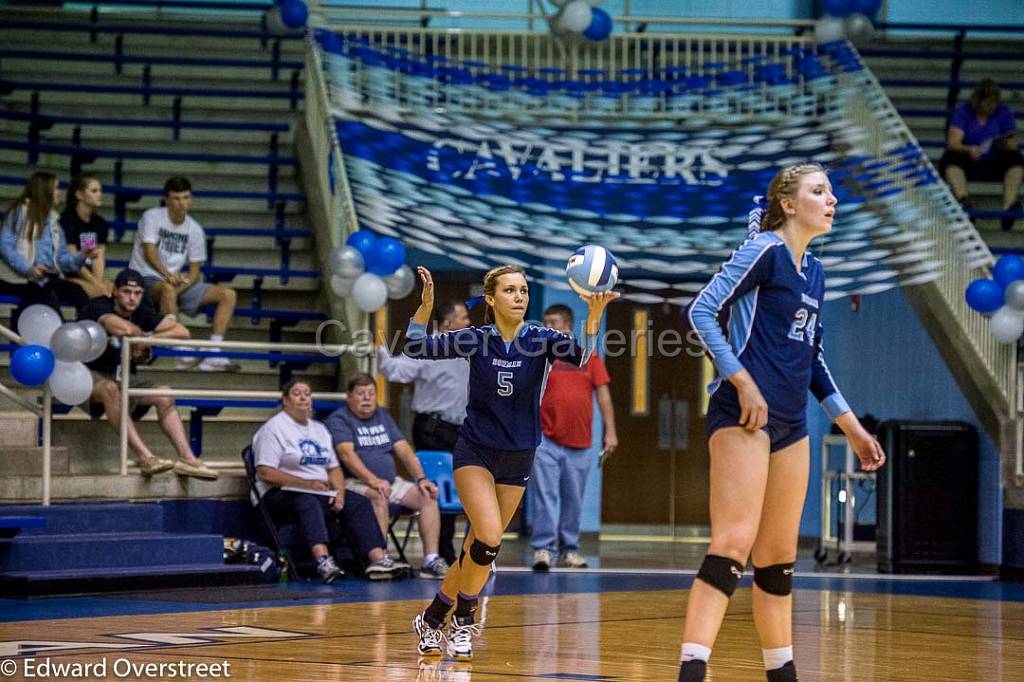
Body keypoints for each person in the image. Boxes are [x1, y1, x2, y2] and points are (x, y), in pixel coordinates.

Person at [678, 163, 886, 682]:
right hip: (743, 414)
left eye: (832, 191)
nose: (832, 199)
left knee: (777, 558)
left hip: (792, 423)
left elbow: (813, 360)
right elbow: (701, 311)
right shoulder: (764, 250)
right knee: (733, 544)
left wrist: (852, 427)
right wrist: (742, 380)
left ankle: (782, 674)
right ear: (790, 204)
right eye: (820, 191)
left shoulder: (814, 271)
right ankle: (691, 671)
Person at [407, 264, 617, 662]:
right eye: (510, 290)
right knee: (488, 537)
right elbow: (415, 347)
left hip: (519, 454)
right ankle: (465, 622)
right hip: (476, 452)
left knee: (476, 548)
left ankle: (433, 619)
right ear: (490, 299)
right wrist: (426, 307)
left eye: (523, 290)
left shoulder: (541, 338)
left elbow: (583, 356)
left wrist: (593, 316)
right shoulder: (475, 338)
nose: (519, 296)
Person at [252, 380, 409, 583]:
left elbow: (334, 468)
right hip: (279, 493)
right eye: (297, 393)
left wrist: (340, 494)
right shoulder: (273, 428)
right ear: (285, 400)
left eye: (307, 393)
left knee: (359, 502)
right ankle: (323, 560)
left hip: (319, 491)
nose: (303, 397)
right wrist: (306, 484)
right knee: (306, 500)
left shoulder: (319, 429)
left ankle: (378, 560)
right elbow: (266, 472)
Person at [79, 268, 217, 479]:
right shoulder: (98, 305)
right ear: (114, 292)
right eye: (126, 292)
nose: (132, 298)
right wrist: (140, 336)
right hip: (86, 375)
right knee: (110, 389)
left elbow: (182, 331)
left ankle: (188, 460)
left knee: (165, 394)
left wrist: (147, 336)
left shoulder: (142, 312)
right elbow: (123, 329)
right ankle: (146, 458)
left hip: (123, 377)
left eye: (137, 293)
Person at [325, 374, 450, 580]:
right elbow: (347, 455)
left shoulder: (382, 416)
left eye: (371, 394)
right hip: (353, 483)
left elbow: (404, 450)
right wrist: (372, 480)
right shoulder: (340, 419)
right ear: (349, 397)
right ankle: (379, 558)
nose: (366, 399)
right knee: (378, 493)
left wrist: (421, 479)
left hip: (391, 482)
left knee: (428, 495)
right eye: (360, 394)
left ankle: (431, 560)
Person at [376, 299, 471, 566]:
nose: (468, 323)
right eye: (462, 317)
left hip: (460, 428)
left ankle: (450, 550)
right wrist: (378, 351)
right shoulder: (429, 348)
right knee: (438, 489)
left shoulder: (469, 349)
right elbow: (397, 371)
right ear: (447, 324)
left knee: (457, 489)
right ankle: (440, 553)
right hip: (433, 427)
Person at [529, 303, 617, 571]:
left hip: (580, 441)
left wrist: (610, 432)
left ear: (567, 326)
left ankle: (569, 550)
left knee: (573, 499)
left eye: (553, 322)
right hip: (545, 438)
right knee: (544, 496)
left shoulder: (588, 357)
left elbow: (603, 395)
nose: (548, 327)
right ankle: (543, 549)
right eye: (546, 322)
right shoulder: (540, 355)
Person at [127, 176, 239, 371]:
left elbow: (195, 271)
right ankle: (180, 349)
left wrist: (181, 286)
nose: (181, 203)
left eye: (186, 198)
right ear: (166, 200)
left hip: (172, 283)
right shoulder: (152, 216)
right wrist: (168, 277)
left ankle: (214, 352)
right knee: (168, 289)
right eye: (176, 198)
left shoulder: (195, 229)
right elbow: (149, 253)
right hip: (144, 278)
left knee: (228, 294)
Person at [1, 172, 92, 329]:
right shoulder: (19, 212)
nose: (59, 192)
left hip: (45, 278)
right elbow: (5, 247)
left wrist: (82, 255)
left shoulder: (54, 220)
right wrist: (29, 269)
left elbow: (62, 259)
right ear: (44, 190)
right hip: (18, 278)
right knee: (46, 292)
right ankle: (62, 337)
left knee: (78, 291)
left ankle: (85, 333)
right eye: (56, 188)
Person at [939, 78, 1023, 230]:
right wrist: (968, 149)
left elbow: (1013, 144)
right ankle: (963, 201)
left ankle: (1009, 205)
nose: (992, 107)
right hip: (970, 158)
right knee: (950, 159)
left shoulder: (1003, 112)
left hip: (995, 158)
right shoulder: (963, 112)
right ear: (978, 101)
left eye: (994, 103)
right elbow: (953, 142)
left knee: (1016, 159)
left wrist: (1002, 143)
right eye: (988, 103)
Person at [61, 174, 113, 299]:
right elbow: (73, 262)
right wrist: (95, 284)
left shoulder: (99, 223)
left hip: (90, 276)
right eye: (94, 191)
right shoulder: (67, 221)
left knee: (115, 291)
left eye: (100, 191)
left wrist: (98, 282)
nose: (99, 194)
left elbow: (98, 258)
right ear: (79, 194)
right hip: (68, 276)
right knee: (98, 293)